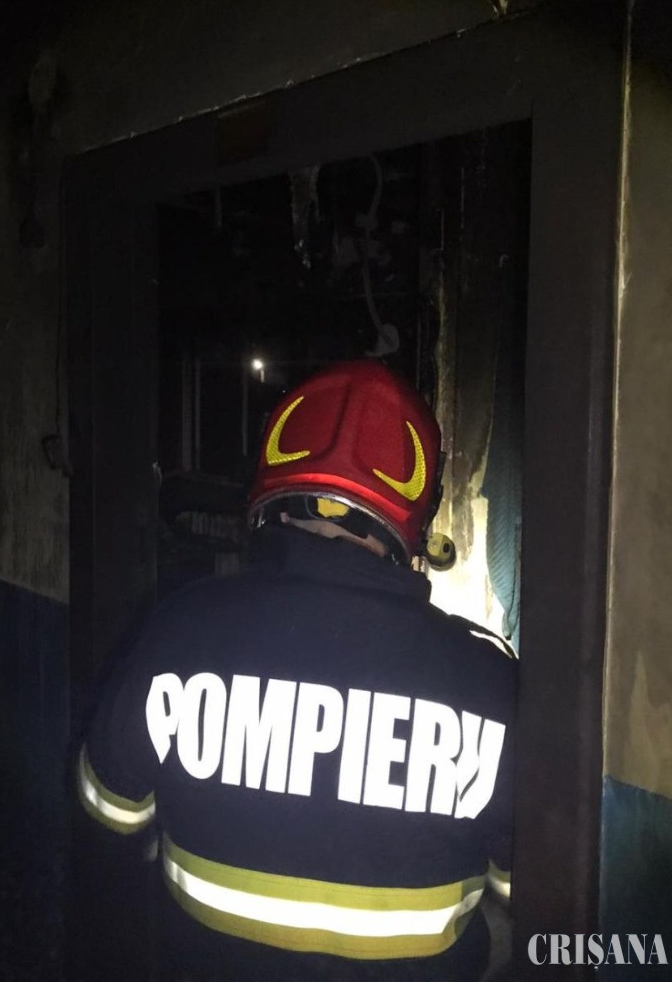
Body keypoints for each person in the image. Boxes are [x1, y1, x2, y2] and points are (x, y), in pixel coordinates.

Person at [77, 360, 516, 981]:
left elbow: (110, 809)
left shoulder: (182, 628)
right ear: (418, 512)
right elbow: (520, 884)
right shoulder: (491, 682)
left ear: (272, 485)